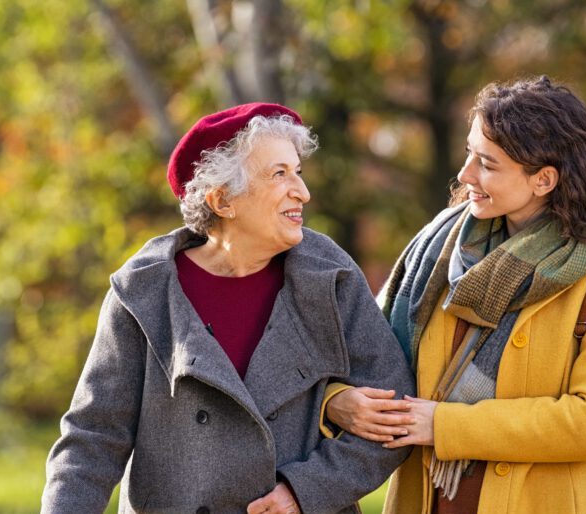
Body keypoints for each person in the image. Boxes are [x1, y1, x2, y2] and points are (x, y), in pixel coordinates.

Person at [41, 103, 414, 514]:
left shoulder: (330, 275)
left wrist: (305, 491)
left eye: (298, 172)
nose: (302, 192)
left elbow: (393, 413)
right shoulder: (143, 291)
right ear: (223, 200)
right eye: (279, 174)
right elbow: (92, 440)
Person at [323, 76, 586, 514]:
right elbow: (361, 358)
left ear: (543, 179)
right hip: (428, 500)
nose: (465, 174)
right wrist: (337, 401)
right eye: (470, 153)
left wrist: (446, 425)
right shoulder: (439, 252)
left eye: (487, 163)